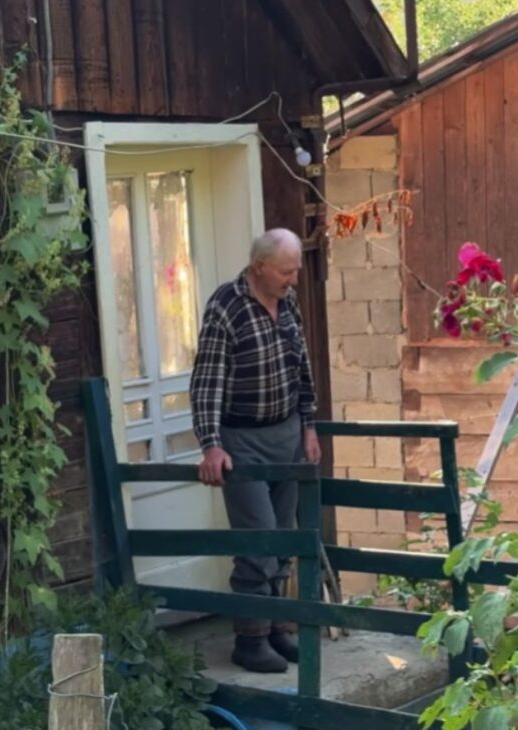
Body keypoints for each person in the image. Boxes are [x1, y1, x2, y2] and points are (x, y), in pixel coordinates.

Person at [189, 228, 321, 673]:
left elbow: (302, 364)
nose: (294, 280)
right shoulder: (225, 308)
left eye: (296, 270)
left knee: (283, 535)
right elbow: (206, 383)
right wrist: (211, 445)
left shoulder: (287, 305)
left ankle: (276, 628)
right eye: (287, 271)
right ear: (259, 266)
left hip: (286, 433)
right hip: (242, 441)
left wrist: (309, 425)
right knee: (259, 538)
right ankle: (249, 639)